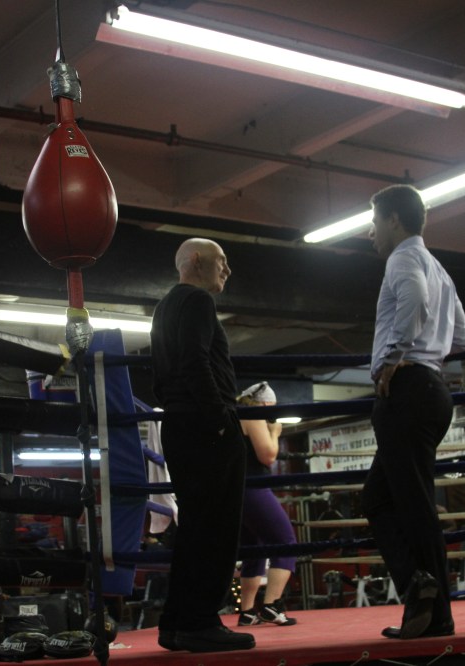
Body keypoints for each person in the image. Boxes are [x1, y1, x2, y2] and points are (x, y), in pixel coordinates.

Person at [361, 184, 465, 640]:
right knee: (381, 499)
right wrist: (427, 355)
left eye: (374, 222)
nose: (370, 233)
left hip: (408, 388)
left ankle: (429, 604)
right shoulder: (439, 267)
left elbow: (415, 302)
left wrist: (392, 358)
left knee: (411, 504)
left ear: (393, 221)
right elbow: (461, 337)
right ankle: (423, 595)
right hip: (431, 387)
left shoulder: (403, 259)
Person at [149, 238, 255, 653]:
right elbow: (195, 362)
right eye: (221, 261)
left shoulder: (164, 307)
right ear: (196, 261)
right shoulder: (197, 302)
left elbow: (162, 375)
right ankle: (201, 623)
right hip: (204, 425)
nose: (227, 270)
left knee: (195, 526)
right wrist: (219, 423)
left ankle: (177, 622)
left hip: (179, 423)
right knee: (216, 527)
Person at [235, 382, 298, 627]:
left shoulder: (234, 415)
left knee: (255, 547)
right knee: (286, 542)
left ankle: (248, 612)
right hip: (252, 487)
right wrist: (275, 433)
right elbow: (268, 455)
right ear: (264, 404)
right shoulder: (253, 416)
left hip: (237, 488)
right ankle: (272, 605)